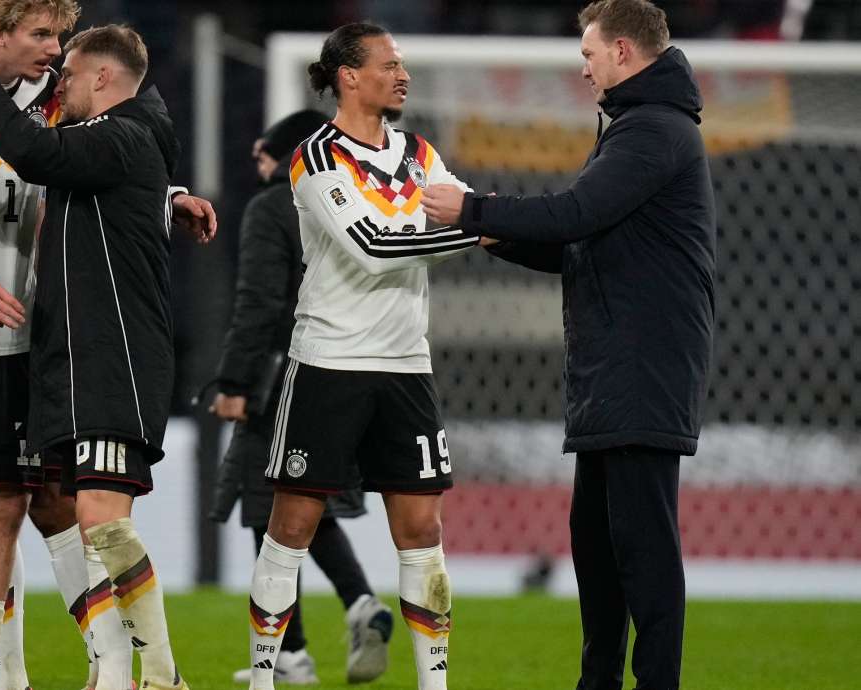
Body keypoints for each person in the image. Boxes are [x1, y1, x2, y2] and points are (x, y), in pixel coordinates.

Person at [420, 2, 716, 689]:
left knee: (641, 545)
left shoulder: (654, 131)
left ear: (621, 51)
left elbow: (576, 215)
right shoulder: (635, 130)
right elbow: (582, 246)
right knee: (598, 542)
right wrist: (497, 235)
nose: (581, 69)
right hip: (612, 367)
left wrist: (473, 210)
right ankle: (598, 680)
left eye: (587, 55)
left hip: (644, 366)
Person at [0, 19, 204, 690]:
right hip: (84, 357)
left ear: (101, 77)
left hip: (112, 357)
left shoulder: (116, 136)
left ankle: (165, 676)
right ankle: (117, 672)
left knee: (101, 521)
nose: (59, 88)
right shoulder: (123, 145)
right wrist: (172, 198)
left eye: (67, 77)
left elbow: (32, 152)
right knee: (92, 521)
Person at [245, 22, 484, 690]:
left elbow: (460, 210)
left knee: (422, 527)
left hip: (407, 364)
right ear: (349, 76)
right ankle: (266, 677)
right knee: (290, 525)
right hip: (329, 360)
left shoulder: (419, 151)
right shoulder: (316, 157)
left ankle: (433, 684)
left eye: (403, 65)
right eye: (389, 65)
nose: (403, 75)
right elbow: (374, 247)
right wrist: (473, 225)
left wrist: (471, 218)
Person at [209, 109, 393, 686]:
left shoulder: (274, 207)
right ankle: (338, 620)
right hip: (351, 371)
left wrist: (234, 381)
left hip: (281, 379)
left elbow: (259, 303)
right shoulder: (356, 200)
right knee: (306, 504)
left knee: (269, 509)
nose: (258, 167)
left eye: (264, 155)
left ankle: (300, 646)